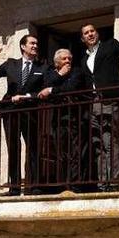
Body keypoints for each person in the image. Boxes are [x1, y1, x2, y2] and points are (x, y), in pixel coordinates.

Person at [0, 35, 47, 195]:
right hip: (11, 111)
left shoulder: (42, 67)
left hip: (31, 112)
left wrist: (26, 97)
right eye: (32, 43)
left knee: (33, 148)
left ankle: (34, 186)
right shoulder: (11, 63)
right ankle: (14, 187)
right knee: (13, 148)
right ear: (23, 47)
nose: (35, 46)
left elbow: (44, 89)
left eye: (36, 43)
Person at [81, 19, 119, 191]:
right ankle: (102, 182)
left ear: (97, 33)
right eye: (86, 33)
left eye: (92, 31)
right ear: (83, 39)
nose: (90, 34)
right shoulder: (84, 58)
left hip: (109, 100)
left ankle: (113, 182)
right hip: (94, 103)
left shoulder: (109, 46)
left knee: (110, 142)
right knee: (99, 145)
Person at [39, 49, 92, 189]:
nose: (67, 61)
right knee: (61, 153)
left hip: (75, 117)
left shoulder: (77, 71)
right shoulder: (51, 73)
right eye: (64, 59)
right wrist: (61, 74)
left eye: (69, 58)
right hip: (58, 118)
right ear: (57, 62)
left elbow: (71, 87)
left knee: (75, 153)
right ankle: (63, 184)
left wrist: (52, 90)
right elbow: (45, 85)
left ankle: (75, 186)